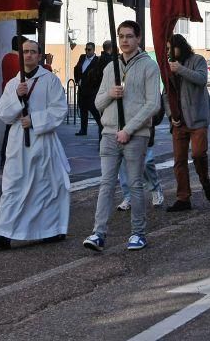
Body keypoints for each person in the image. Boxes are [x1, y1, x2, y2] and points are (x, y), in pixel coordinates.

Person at [83, 21, 161, 253]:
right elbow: (97, 103)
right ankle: (98, 233)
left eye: (129, 36)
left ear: (138, 39)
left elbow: (153, 104)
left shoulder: (149, 66)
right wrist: (110, 93)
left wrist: (129, 129)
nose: (125, 41)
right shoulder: (110, 68)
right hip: (108, 133)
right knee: (106, 183)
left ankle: (138, 233)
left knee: (135, 184)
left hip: (135, 135)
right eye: (121, 37)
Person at [0, 39, 69, 250]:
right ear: (20, 56)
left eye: (33, 52)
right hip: (18, 144)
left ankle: (51, 229)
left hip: (43, 142)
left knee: (46, 188)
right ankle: (3, 233)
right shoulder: (14, 84)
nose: (29, 55)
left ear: (40, 56)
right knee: (12, 187)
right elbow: (3, 113)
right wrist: (16, 96)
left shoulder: (50, 80)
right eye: (25, 52)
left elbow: (60, 109)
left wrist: (35, 120)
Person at [164, 34, 210, 212]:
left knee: (198, 154)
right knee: (179, 161)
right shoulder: (169, 65)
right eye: (168, 48)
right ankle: (183, 198)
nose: (170, 52)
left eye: (173, 48)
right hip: (178, 121)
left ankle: (205, 181)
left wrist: (180, 69)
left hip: (197, 118)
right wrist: (171, 114)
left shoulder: (198, 60)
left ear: (181, 46)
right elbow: (166, 94)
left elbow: (202, 79)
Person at [0, 35, 23, 170]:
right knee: (13, 131)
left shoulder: (6, 58)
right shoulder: (18, 61)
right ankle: (8, 158)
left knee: (8, 129)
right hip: (16, 98)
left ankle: (3, 158)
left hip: (6, 96)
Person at [74, 42, 103, 137]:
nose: (87, 51)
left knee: (94, 110)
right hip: (82, 89)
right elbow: (77, 69)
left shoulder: (97, 60)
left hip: (91, 91)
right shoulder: (82, 57)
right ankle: (83, 129)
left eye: (89, 49)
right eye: (86, 49)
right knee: (82, 109)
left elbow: (98, 76)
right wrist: (78, 80)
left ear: (94, 50)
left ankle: (102, 126)